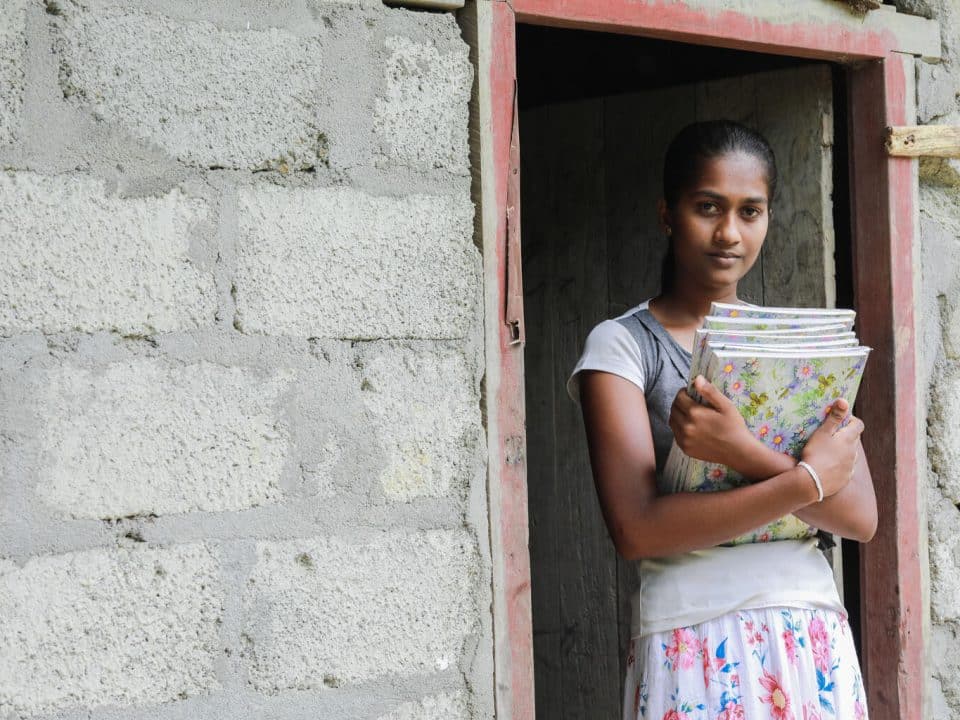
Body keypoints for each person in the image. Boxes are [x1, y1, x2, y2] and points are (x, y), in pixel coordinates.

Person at [567, 120, 877, 720]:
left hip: (807, 633)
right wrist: (805, 481)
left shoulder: (790, 345)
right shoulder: (624, 346)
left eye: (750, 211)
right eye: (707, 207)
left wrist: (740, 451)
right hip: (693, 634)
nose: (729, 233)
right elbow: (638, 529)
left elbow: (860, 517)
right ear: (668, 214)